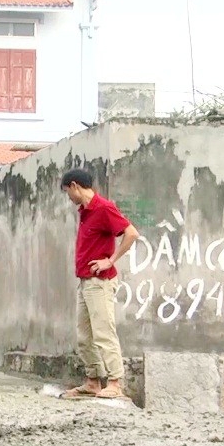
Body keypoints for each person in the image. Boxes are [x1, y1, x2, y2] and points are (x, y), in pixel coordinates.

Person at [60, 168, 139, 399]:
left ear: (75, 186)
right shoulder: (85, 211)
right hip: (85, 281)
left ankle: (115, 382)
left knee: (104, 332)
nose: (69, 197)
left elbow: (131, 233)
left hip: (100, 282)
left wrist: (110, 261)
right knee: (84, 335)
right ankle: (93, 381)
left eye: (67, 192)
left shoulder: (103, 208)